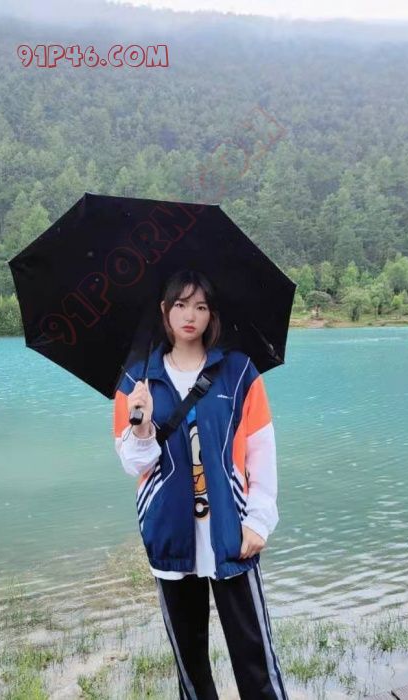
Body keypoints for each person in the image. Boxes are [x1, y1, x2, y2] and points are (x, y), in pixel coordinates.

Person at [113, 269, 288, 700]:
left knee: (255, 656)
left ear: (212, 314)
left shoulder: (239, 372)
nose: (189, 316)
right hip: (169, 533)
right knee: (190, 665)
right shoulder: (135, 381)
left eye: (200, 306)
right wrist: (141, 426)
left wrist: (258, 521)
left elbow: (261, 450)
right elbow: (135, 464)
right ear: (164, 310)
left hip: (231, 532)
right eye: (180, 305)